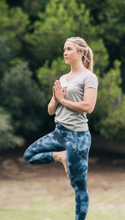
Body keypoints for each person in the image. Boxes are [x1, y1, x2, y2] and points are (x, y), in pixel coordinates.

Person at [23, 37, 98, 220]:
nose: (65, 52)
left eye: (69, 49)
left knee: (78, 186)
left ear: (80, 52)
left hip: (78, 137)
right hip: (59, 132)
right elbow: (50, 110)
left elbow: (88, 107)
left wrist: (63, 100)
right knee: (29, 155)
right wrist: (56, 99)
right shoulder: (63, 78)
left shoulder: (89, 77)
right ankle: (60, 156)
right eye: (64, 49)